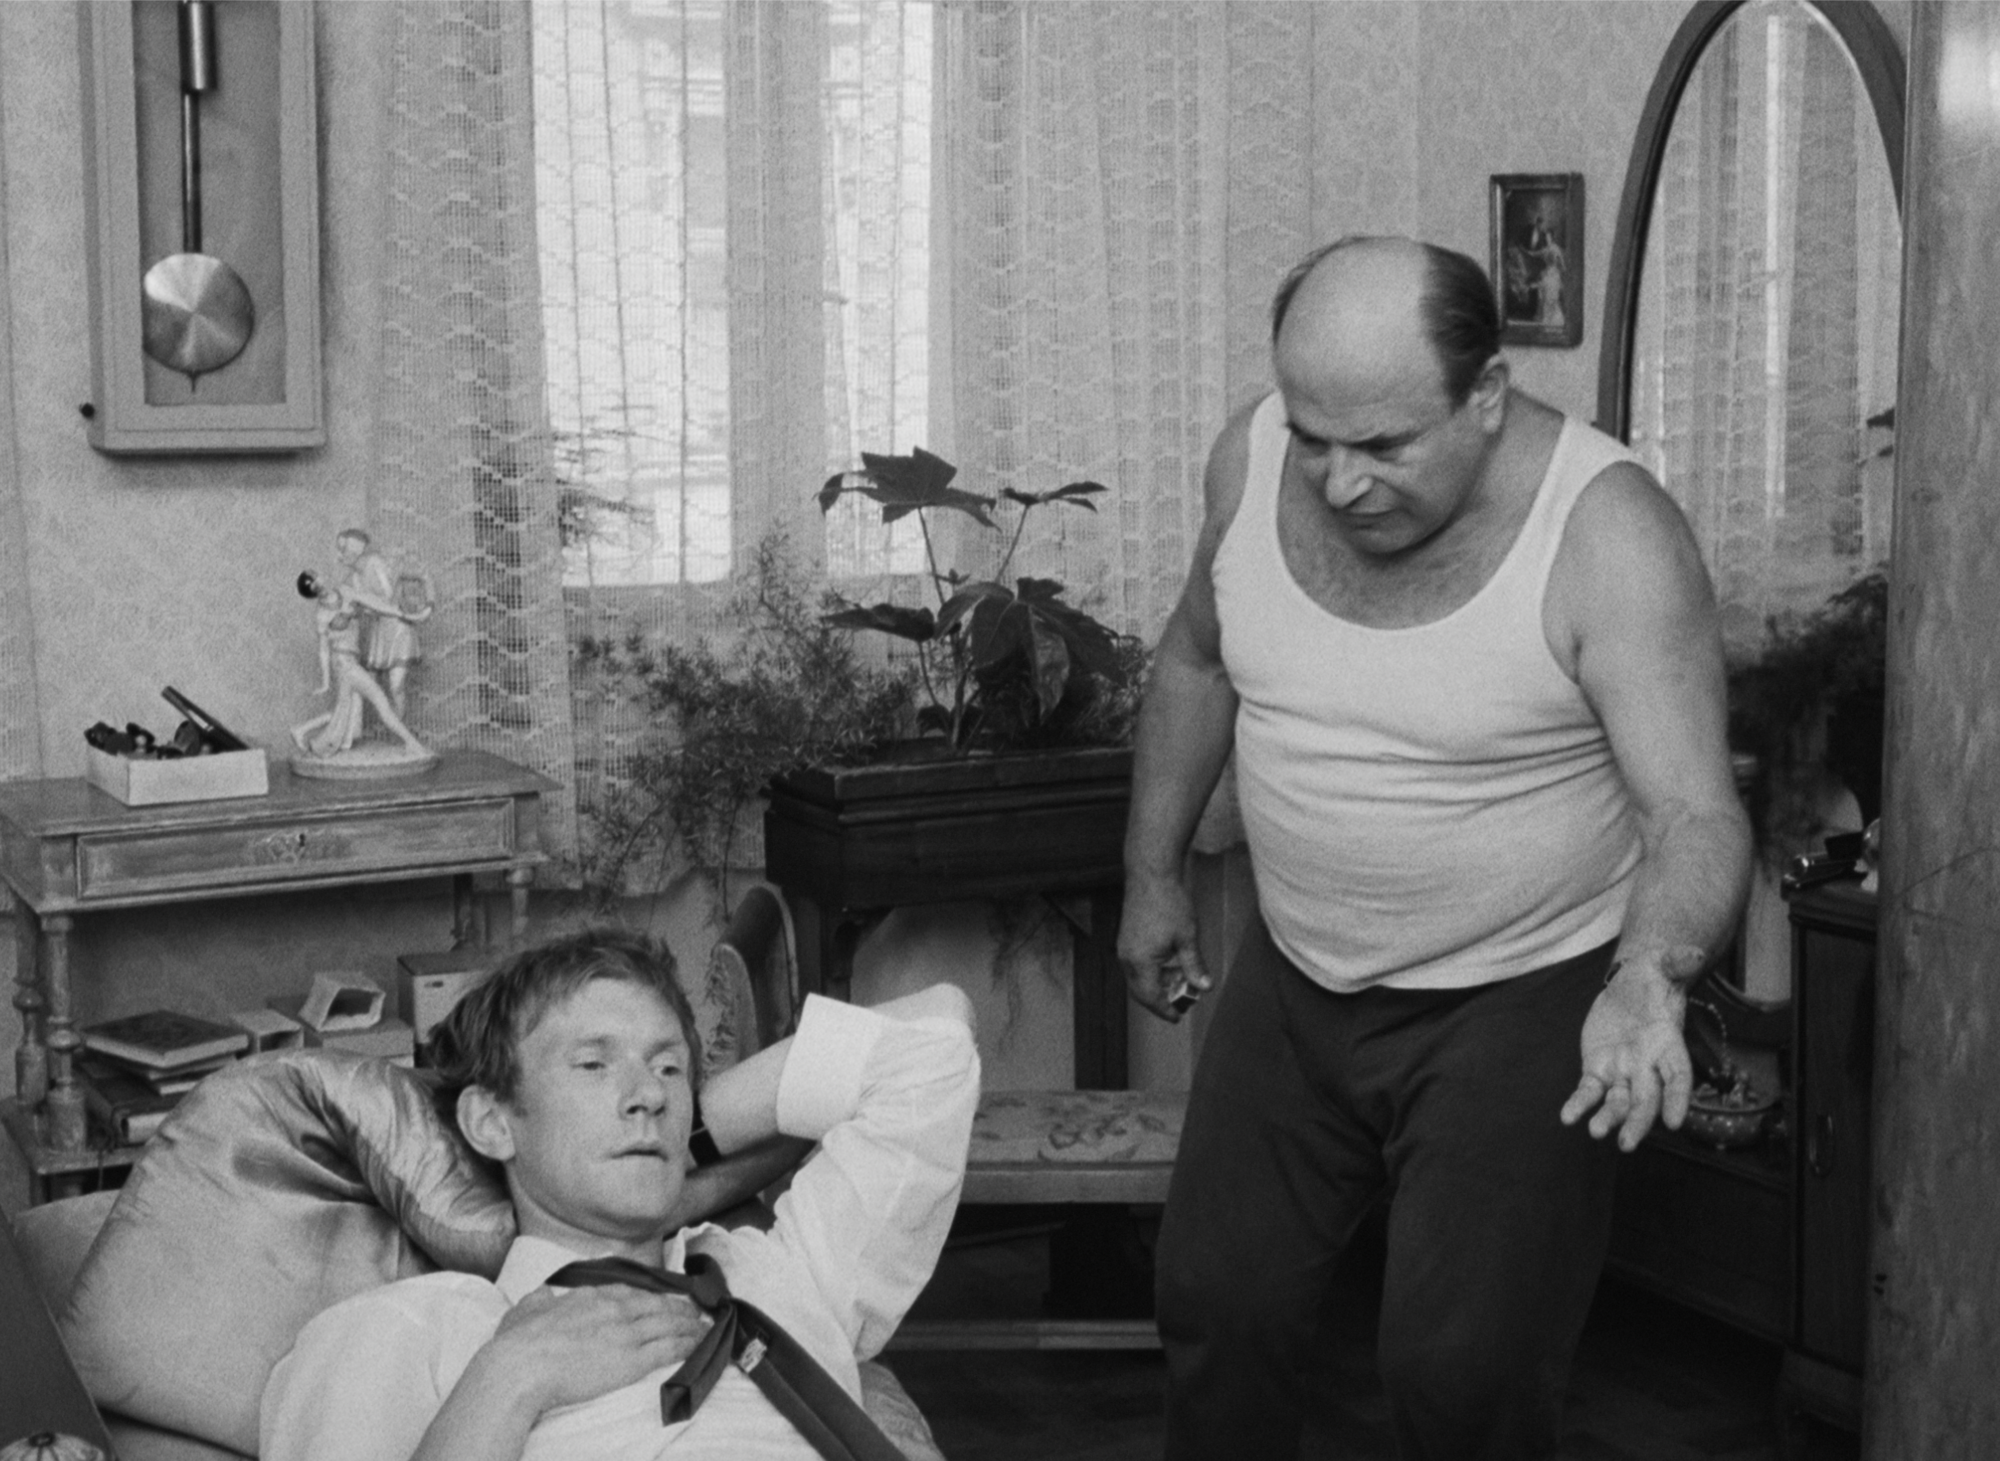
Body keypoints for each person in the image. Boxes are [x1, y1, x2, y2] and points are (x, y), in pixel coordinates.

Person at [1118, 235, 1751, 1460]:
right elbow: (1194, 661)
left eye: (1382, 446)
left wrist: (1648, 976)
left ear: (1486, 394)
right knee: (1215, 1307)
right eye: (1313, 437)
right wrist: (1149, 874)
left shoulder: (1608, 534)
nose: (1338, 483)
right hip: (1296, 974)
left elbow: (1691, 812)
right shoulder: (1250, 459)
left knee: (1458, 1372)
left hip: (1518, 998)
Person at [259, 926, 979, 1461]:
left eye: (668, 1068)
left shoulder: (783, 1271)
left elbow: (934, 1041)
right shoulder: (415, 1327)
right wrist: (510, 1379)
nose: (647, 1095)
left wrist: (691, 1142)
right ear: (493, 1121)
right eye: (594, 1064)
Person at [290, 569, 429, 760]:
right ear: (313, 591)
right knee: (381, 701)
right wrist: (326, 682)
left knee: (344, 712)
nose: (320, 583)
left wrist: (401, 614)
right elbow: (324, 650)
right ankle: (412, 743)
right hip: (344, 664)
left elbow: (373, 603)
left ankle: (301, 730)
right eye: (314, 584)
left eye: (317, 577)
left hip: (351, 660)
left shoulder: (344, 591)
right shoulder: (322, 614)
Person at [336, 528, 431, 718]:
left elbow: (389, 596)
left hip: (398, 628)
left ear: (355, 550)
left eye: (343, 549)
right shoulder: (353, 579)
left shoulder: (375, 563)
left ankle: (400, 730)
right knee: (371, 688)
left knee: (396, 685)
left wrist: (428, 606)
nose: (339, 555)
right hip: (379, 632)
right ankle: (382, 726)